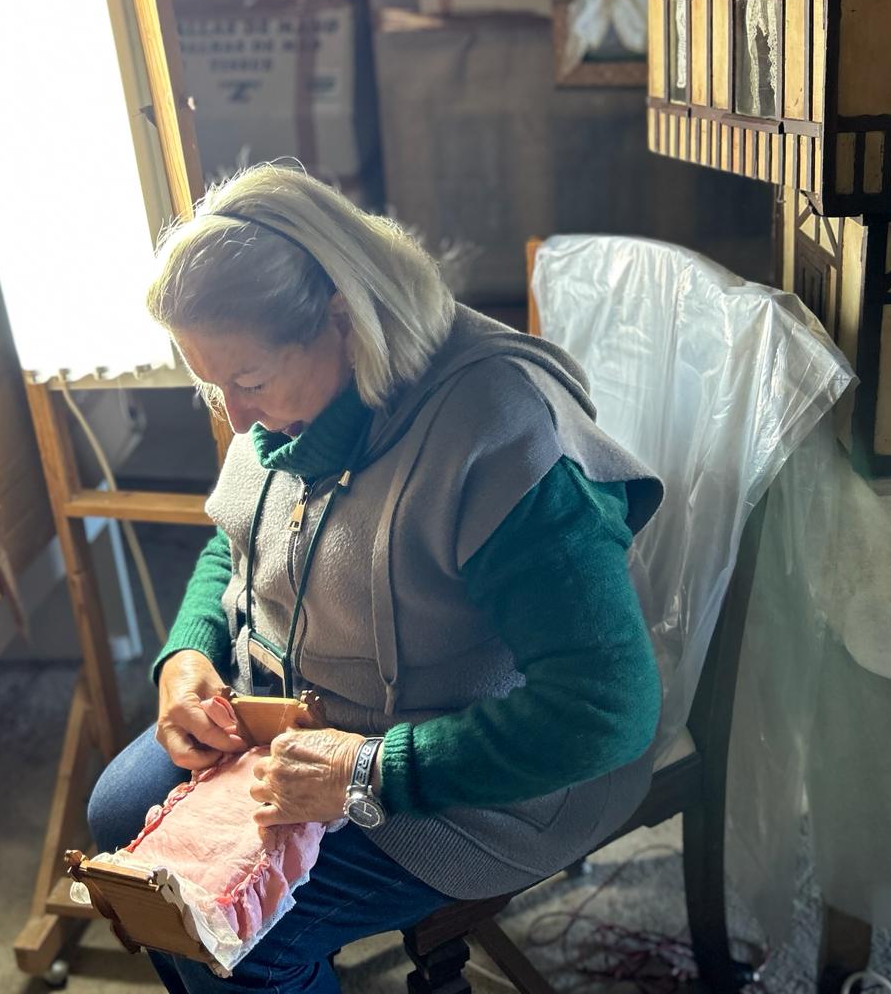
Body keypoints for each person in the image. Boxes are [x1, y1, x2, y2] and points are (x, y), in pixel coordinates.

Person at [87, 165, 664, 993]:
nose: (238, 421)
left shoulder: (502, 435)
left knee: (224, 933)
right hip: (297, 719)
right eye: (211, 389)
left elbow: (608, 708)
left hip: (470, 778)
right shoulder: (293, 409)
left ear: (343, 320)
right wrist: (187, 655)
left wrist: (369, 773)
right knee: (118, 824)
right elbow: (235, 543)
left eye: (246, 382)